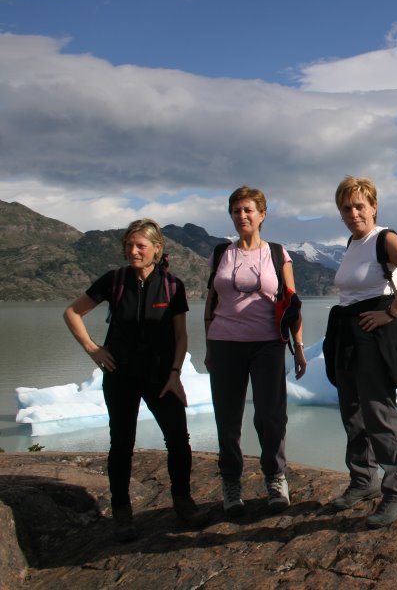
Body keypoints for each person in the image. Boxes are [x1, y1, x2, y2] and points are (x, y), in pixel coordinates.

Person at [63, 218, 208, 542]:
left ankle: (183, 502)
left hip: (160, 378)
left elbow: (181, 337)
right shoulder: (114, 281)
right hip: (121, 377)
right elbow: (72, 312)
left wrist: (175, 374)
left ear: (157, 249)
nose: (132, 251)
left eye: (140, 245)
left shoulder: (172, 286)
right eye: (129, 245)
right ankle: (122, 512)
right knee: (122, 444)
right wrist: (93, 349)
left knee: (178, 441)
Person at [326, 175, 397, 529]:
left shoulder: (384, 238)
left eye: (359, 205)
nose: (353, 212)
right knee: (352, 410)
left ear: (373, 206)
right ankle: (363, 481)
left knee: (379, 412)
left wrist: (391, 312)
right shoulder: (353, 243)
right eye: (346, 207)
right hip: (349, 330)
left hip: (374, 330)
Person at [205, 186, 307, 516]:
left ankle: (275, 476)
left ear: (262, 215)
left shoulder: (277, 253)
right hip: (224, 344)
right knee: (228, 417)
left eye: (249, 210)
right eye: (236, 210)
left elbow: (292, 304)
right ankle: (231, 482)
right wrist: (208, 344)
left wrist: (300, 348)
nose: (242, 216)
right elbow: (211, 303)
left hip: (267, 344)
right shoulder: (221, 253)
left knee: (270, 415)